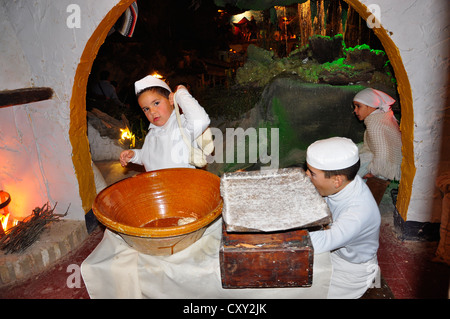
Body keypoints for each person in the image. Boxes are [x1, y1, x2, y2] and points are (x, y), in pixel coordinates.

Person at [305, 137, 381, 299]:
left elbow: (316, 244)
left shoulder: (358, 212)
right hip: (335, 253)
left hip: (351, 273)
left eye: (312, 173)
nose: (306, 175)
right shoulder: (343, 186)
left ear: (337, 180)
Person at [119, 75, 210, 171]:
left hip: (183, 184)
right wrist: (134, 155)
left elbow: (201, 121)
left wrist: (181, 94)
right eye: (146, 109)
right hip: (157, 184)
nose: (152, 111)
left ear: (171, 99)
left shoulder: (182, 125)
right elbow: (148, 156)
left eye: (156, 103)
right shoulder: (152, 133)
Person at [352, 88, 402, 181]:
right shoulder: (382, 117)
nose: (355, 110)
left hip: (379, 168)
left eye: (358, 106)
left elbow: (382, 153)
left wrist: (373, 173)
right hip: (387, 164)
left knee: (348, 176)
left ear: (370, 106)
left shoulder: (374, 123)